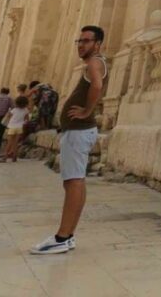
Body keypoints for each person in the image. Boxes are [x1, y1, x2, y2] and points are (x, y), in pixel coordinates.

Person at [31, 25, 108, 255]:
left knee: (73, 181)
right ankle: (68, 235)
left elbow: (97, 85)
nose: (81, 45)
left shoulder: (94, 62)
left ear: (97, 44)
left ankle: (62, 237)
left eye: (86, 41)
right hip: (78, 131)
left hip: (78, 131)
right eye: (79, 41)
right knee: (75, 181)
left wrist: (86, 111)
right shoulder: (95, 62)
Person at [0, 94, 31, 161]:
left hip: (12, 127)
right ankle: (14, 157)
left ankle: (5, 157)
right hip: (19, 128)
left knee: (9, 143)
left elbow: (8, 117)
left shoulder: (14, 110)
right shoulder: (26, 110)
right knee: (15, 143)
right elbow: (27, 120)